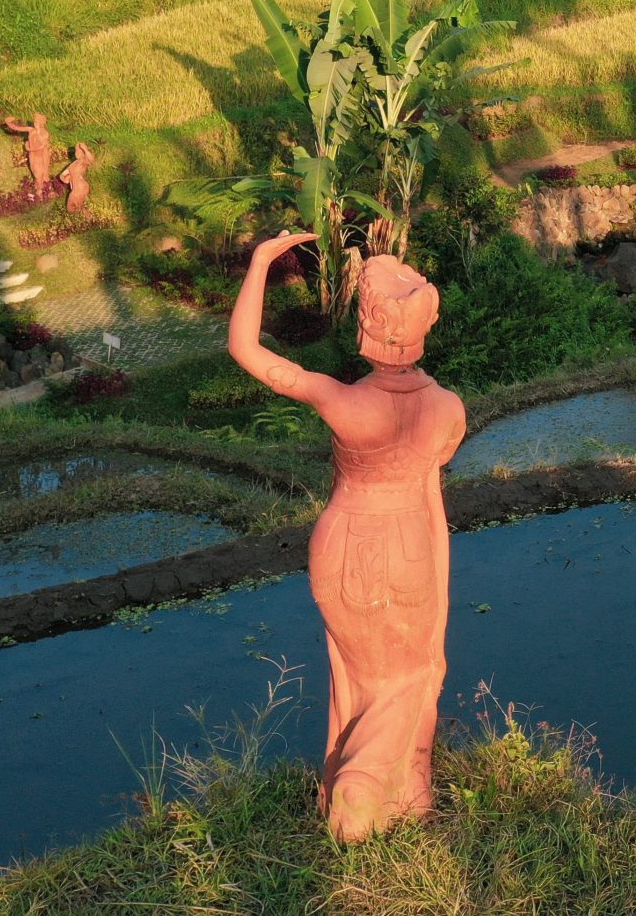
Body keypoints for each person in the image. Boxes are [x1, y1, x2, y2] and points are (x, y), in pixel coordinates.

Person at [228, 230, 464, 840]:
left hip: (343, 545)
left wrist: (260, 263)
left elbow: (247, 350)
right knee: (409, 674)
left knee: (363, 675)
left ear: (367, 328)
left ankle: (364, 786)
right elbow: (430, 491)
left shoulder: (341, 400)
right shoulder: (449, 409)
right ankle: (377, 789)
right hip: (410, 547)